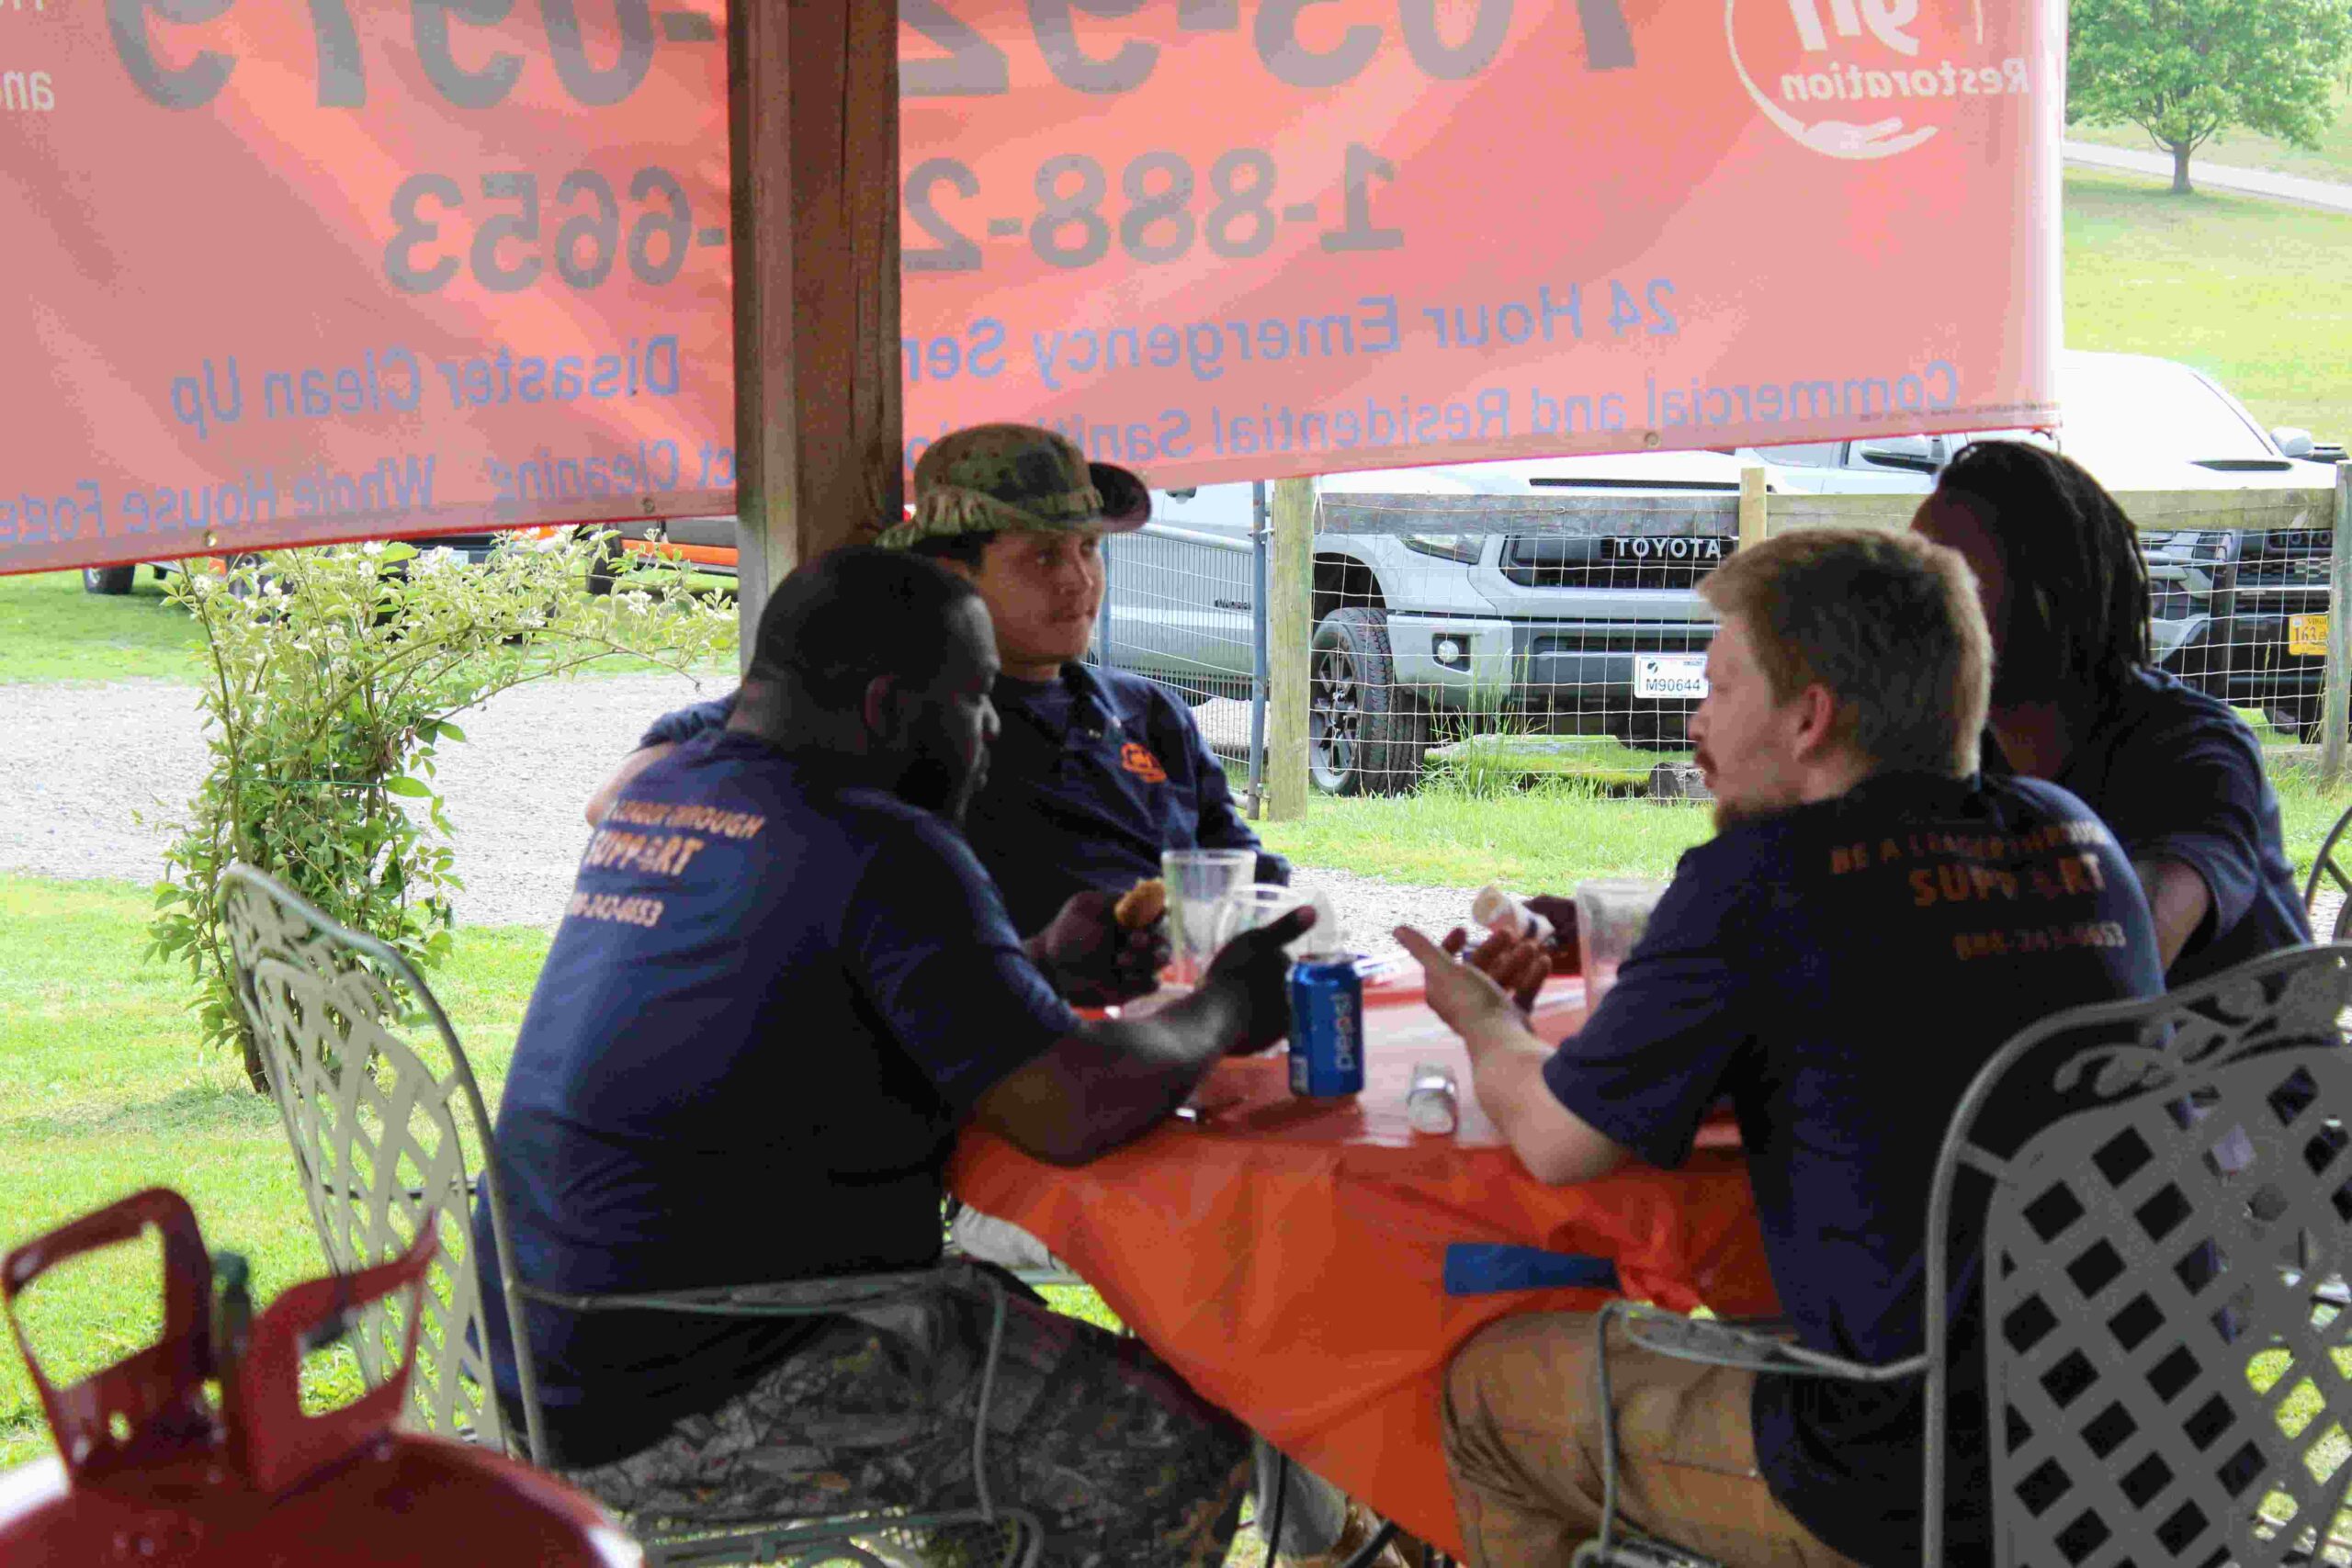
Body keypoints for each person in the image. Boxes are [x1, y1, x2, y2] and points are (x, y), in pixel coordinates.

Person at [478, 548, 1309, 1566]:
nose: (993, 729)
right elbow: (1070, 1108)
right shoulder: (878, 842)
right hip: (698, 1381)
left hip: (552, 1344)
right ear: (885, 707)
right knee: (1167, 1447)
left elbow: (830, 1010)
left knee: (1026, 1354)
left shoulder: (674, 795)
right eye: (973, 701)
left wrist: (1041, 965)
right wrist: (1227, 1002)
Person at [1396, 528, 2165, 1567]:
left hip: (1925, 1486)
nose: (1693, 717)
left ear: (1809, 718)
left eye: (1716, 687)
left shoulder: (1763, 875)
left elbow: (1557, 1142)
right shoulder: (2074, 832)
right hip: (2165, 1443)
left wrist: (1484, 1018)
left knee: (1488, 1393)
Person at [587, 423, 1287, 937]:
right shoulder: (899, 714)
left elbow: (1250, 875)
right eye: (1042, 557)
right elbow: (619, 800)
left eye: (1088, 549)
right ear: (953, 573)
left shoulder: (1149, 712)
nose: (1079, 579)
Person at [1912, 438, 2308, 982]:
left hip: (2236, 1063)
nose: (1919, 610)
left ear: (2049, 589)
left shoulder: (2191, 749)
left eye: (1949, 582)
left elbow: (2122, 963)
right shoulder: (1954, 747)